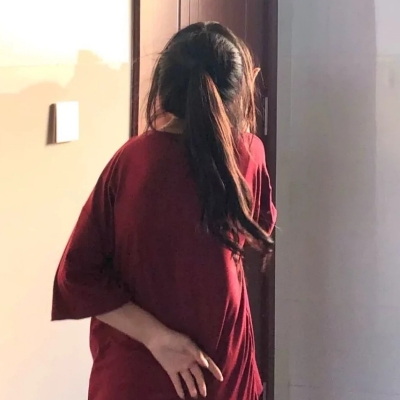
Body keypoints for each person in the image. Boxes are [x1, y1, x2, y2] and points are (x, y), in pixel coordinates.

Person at [52, 21, 277, 400]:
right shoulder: (249, 153)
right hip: (225, 374)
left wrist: (159, 338)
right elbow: (261, 228)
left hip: (133, 379)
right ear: (237, 90)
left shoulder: (131, 162)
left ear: (164, 86)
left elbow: (76, 277)